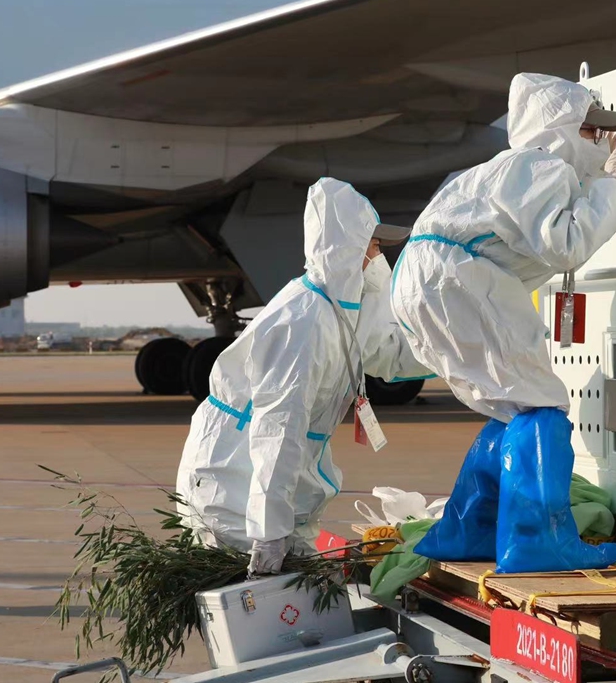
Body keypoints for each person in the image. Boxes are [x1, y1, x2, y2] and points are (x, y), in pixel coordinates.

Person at [391, 72, 616, 573]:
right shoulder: (541, 166)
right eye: (591, 132)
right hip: (460, 280)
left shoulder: (504, 170)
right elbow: (564, 242)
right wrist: (612, 186)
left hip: (429, 281)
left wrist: (594, 180)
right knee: (542, 404)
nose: (599, 142)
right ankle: (537, 541)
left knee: (513, 406)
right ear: (559, 129)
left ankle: (468, 529)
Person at [176, 177, 432, 577]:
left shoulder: (342, 312)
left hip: (273, 484)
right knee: (258, 595)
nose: (379, 255)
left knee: (289, 588)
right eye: (373, 243)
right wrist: (269, 532)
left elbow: (390, 355)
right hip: (236, 482)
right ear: (346, 248)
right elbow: (277, 432)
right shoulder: (303, 321)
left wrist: (456, 353)